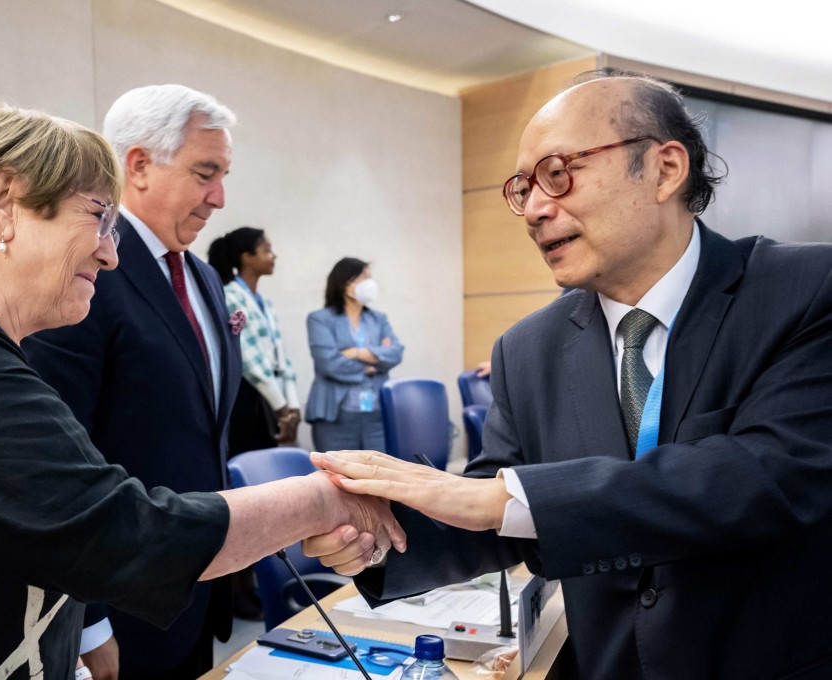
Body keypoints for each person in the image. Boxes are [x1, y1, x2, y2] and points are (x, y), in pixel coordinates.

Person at [0, 101, 405, 680]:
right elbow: (117, 531)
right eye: (97, 217)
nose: (110, 252)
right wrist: (324, 500)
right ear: (3, 204)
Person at [306, 70, 832, 679]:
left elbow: (766, 475)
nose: (533, 210)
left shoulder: (803, 292)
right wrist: (373, 537)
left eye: (558, 174)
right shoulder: (527, 348)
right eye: (522, 188)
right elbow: (497, 511)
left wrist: (495, 496)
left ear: (664, 169)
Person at [20, 84, 246, 678]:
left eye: (223, 175)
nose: (219, 197)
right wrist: (88, 619)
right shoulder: (83, 275)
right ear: (139, 165)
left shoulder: (202, 277)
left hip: (198, 585)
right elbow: (55, 462)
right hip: (119, 607)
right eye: (205, 173)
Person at [207, 226, 301, 451]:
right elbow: (250, 362)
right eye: (266, 250)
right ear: (246, 257)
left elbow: (281, 357)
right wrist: (282, 408)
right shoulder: (230, 296)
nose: (273, 255)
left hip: (273, 399)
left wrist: (293, 406)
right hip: (249, 399)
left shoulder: (264, 303)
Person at [304, 258, 404, 453]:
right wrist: (373, 363)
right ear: (345, 284)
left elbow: (396, 353)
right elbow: (329, 363)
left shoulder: (378, 319)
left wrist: (356, 353)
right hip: (336, 416)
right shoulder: (320, 319)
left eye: (369, 278)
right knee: (337, 478)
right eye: (362, 278)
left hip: (376, 415)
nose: (369, 284)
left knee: (377, 475)